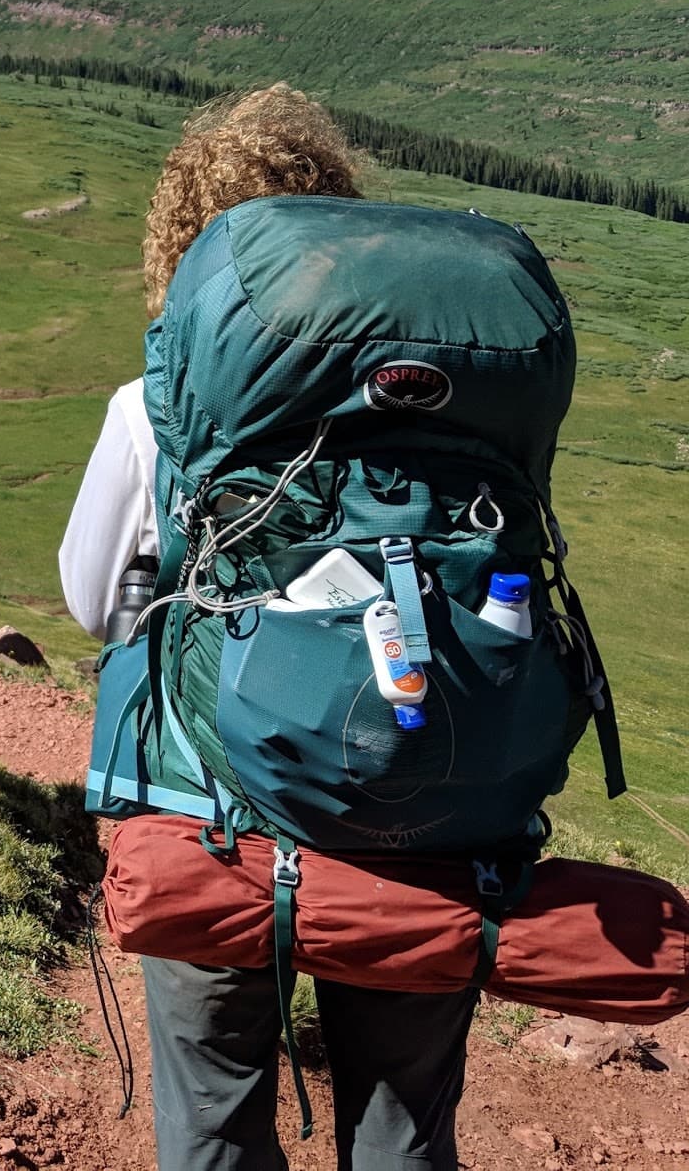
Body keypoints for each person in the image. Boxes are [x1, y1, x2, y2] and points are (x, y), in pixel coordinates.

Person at [60, 85, 478, 1171]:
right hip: (424, 807)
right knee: (404, 1127)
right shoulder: (446, 404)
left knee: (212, 1116)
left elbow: (96, 601)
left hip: (213, 817)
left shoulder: (149, 406)